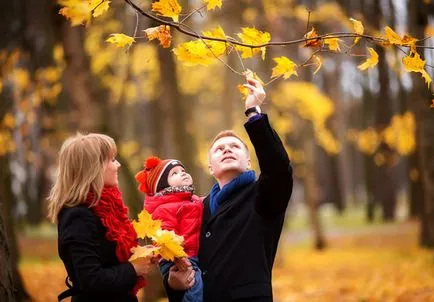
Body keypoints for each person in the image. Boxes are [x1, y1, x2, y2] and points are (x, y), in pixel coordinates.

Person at [165, 78, 293, 301]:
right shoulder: (196, 207)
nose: (227, 150)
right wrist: (173, 283)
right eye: (219, 149)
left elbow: (279, 168)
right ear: (210, 167)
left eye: (235, 147)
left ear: (249, 162)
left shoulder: (263, 197)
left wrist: (253, 112)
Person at [47, 133, 154, 302]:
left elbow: (110, 260)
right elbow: (91, 281)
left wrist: (140, 256)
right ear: (92, 168)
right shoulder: (78, 217)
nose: (118, 165)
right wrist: (133, 269)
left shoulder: (106, 208)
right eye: (111, 160)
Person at [135, 156, 203, 302]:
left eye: (183, 170)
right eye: (175, 173)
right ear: (163, 186)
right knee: (194, 286)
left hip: (191, 255)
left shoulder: (192, 200)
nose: (183, 173)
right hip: (176, 259)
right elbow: (162, 238)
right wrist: (178, 258)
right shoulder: (164, 208)